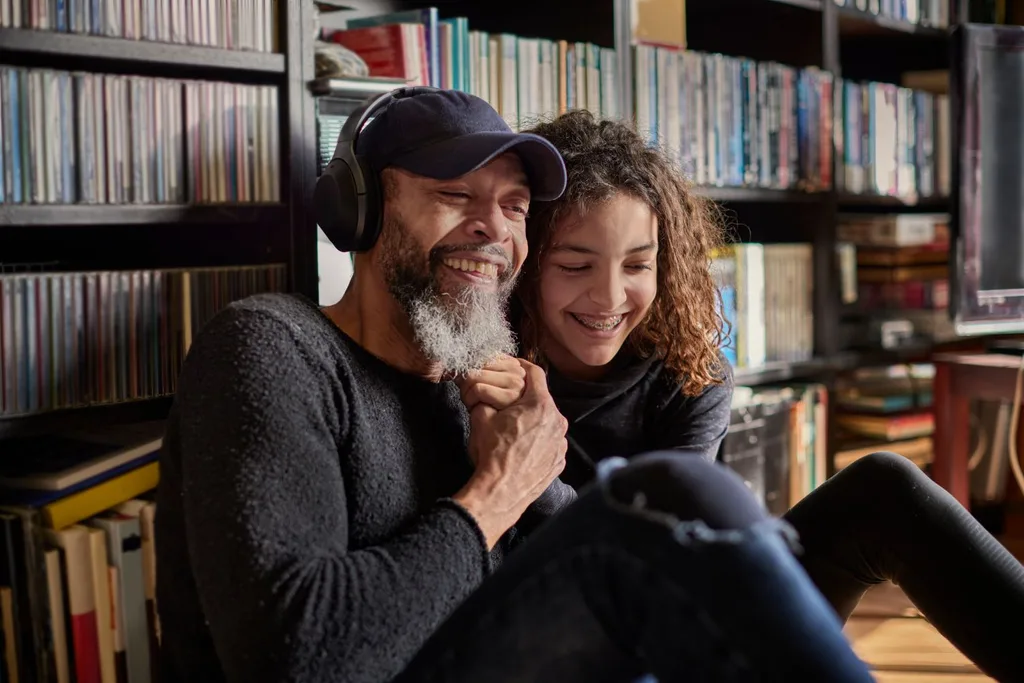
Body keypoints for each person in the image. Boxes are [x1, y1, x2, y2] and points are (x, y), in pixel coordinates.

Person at [153, 88, 878, 683]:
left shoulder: (472, 390)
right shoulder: (271, 347)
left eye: (514, 207)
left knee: (863, 493)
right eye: (455, 194)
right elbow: (297, 659)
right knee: (670, 496)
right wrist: (500, 490)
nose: (492, 229)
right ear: (362, 208)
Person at [459, 109, 1024, 683]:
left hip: (684, 614)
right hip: (556, 644)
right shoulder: (478, 363)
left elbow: (666, 552)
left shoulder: (691, 370)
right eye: (575, 265)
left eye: (638, 264)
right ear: (525, 264)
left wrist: (537, 465)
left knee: (885, 487)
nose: (609, 297)